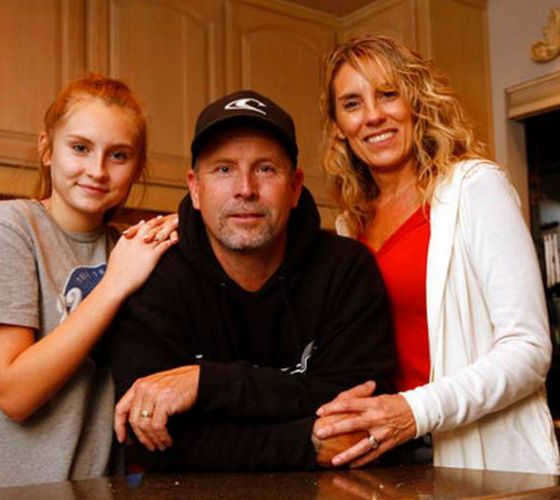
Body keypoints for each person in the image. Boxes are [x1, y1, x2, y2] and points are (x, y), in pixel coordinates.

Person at [312, 34, 560, 474]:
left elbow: (529, 350)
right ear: (337, 126)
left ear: (416, 101)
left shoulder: (474, 188)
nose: (372, 116)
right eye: (352, 104)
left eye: (388, 94)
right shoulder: (350, 224)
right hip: (385, 453)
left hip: (480, 456)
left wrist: (415, 411)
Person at [110, 89, 395, 471]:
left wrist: (205, 385)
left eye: (265, 168)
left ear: (295, 188)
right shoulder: (155, 276)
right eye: (224, 169)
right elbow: (154, 442)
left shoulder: (346, 270)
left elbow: (362, 415)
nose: (245, 188)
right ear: (195, 188)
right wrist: (306, 442)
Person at [0, 74, 178, 490]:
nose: (96, 170)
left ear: (137, 167)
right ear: (47, 148)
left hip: (93, 489)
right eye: (80, 148)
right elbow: (15, 394)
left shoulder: (130, 249)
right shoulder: (8, 228)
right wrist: (116, 282)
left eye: (118, 155)